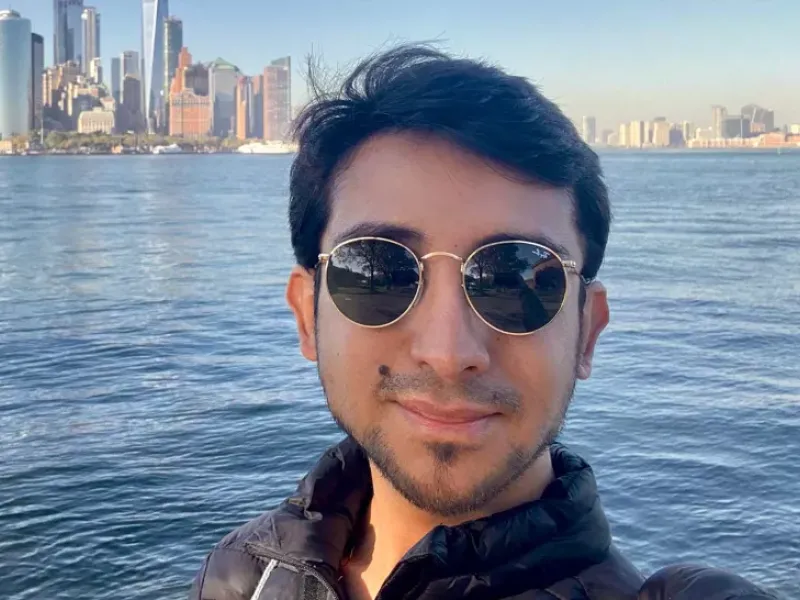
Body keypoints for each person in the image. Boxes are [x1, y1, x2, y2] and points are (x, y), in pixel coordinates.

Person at [189, 45, 780, 600]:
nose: (449, 351)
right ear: (308, 318)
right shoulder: (243, 574)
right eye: (379, 275)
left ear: (587, 332)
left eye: (518, 278)